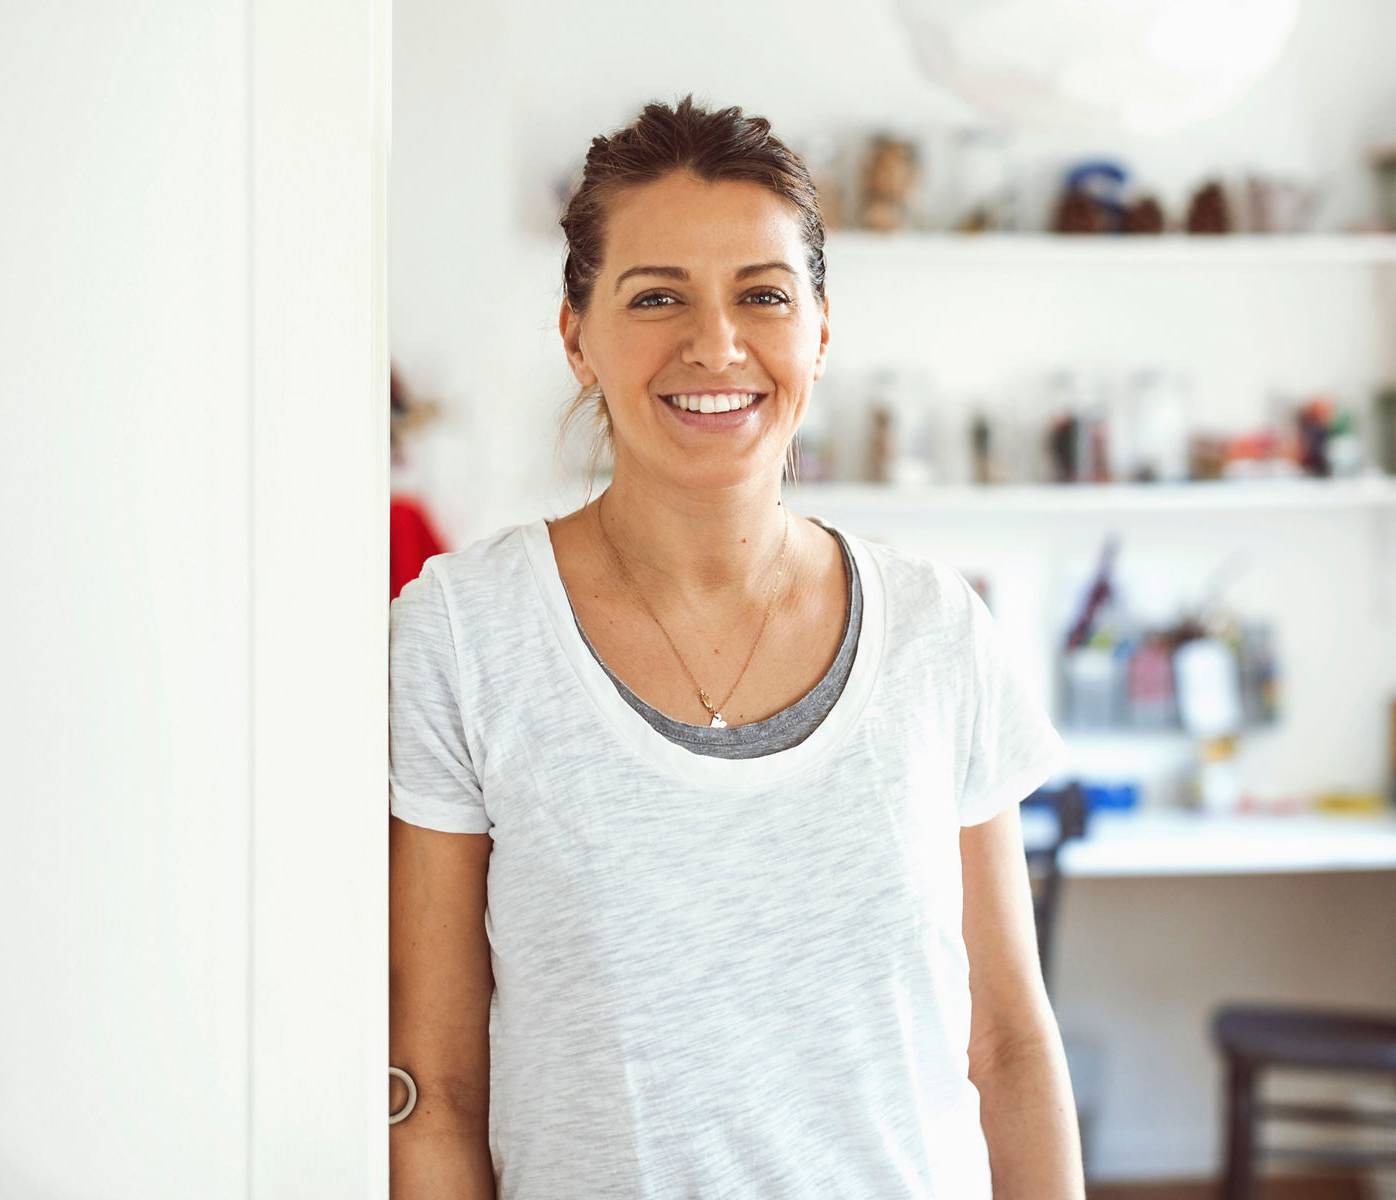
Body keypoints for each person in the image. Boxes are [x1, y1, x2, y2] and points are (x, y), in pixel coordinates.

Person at [388, 96, 1080, 1198]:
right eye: (655, 296)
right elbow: (436, 1088)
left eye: (761, 295)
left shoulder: (933, 627)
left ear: (817, 332)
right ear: (577, 337)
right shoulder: (462, 635)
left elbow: (1008, 1047)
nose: (714, 344)